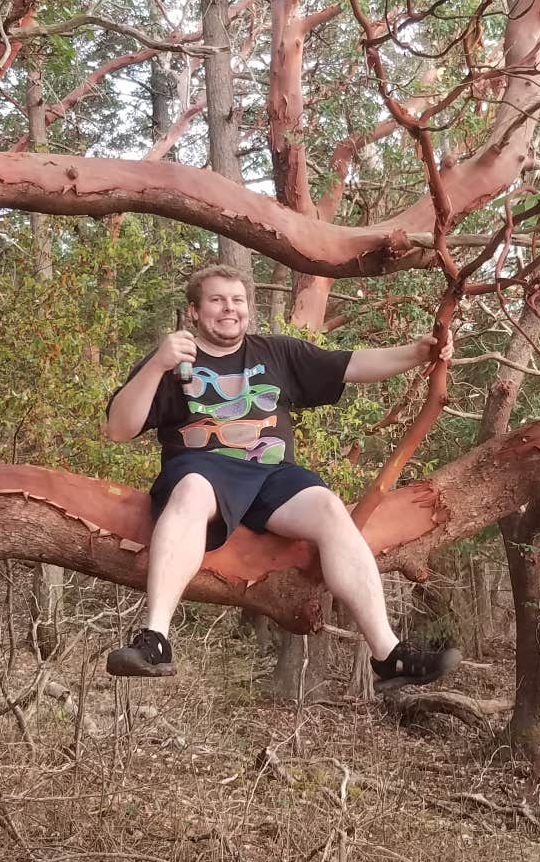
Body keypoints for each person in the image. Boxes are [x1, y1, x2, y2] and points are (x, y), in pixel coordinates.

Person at [103, 263, 461, 693]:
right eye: (216, 300)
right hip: (203, 470)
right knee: (193, 489)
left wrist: (417, 353)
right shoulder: (171, 360)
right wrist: (156, 364)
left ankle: (388, 655)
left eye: (237, 301)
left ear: (248, 310)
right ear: (195, 311)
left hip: (272, 475)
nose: (228, 309)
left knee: (328, 506)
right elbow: (118, 429)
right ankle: (155, 639)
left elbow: (350, 365)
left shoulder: (276, 353)